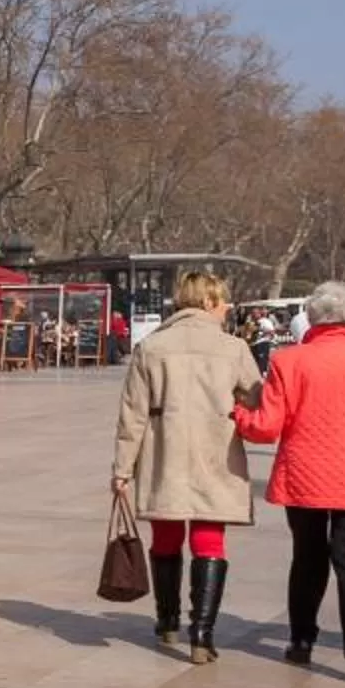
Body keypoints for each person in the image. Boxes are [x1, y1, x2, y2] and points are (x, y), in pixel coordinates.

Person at [236, 280, 345, 681]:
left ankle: (301, 641)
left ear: (312, 316)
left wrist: (237, 414)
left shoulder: (289, 361)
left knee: (307, 559)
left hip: (304, 475)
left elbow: (266, 427)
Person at [112, 271, 262, 662]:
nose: (228, 306)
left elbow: (133, 414)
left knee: (165, 537)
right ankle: (202, 634)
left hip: (166, 451)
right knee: (209, 538)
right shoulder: (234, 348)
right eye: (224, 300)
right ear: (210, 301)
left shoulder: (152, 347)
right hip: (218, 452)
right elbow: (257, 399)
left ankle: (166, 620)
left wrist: (122, 468)